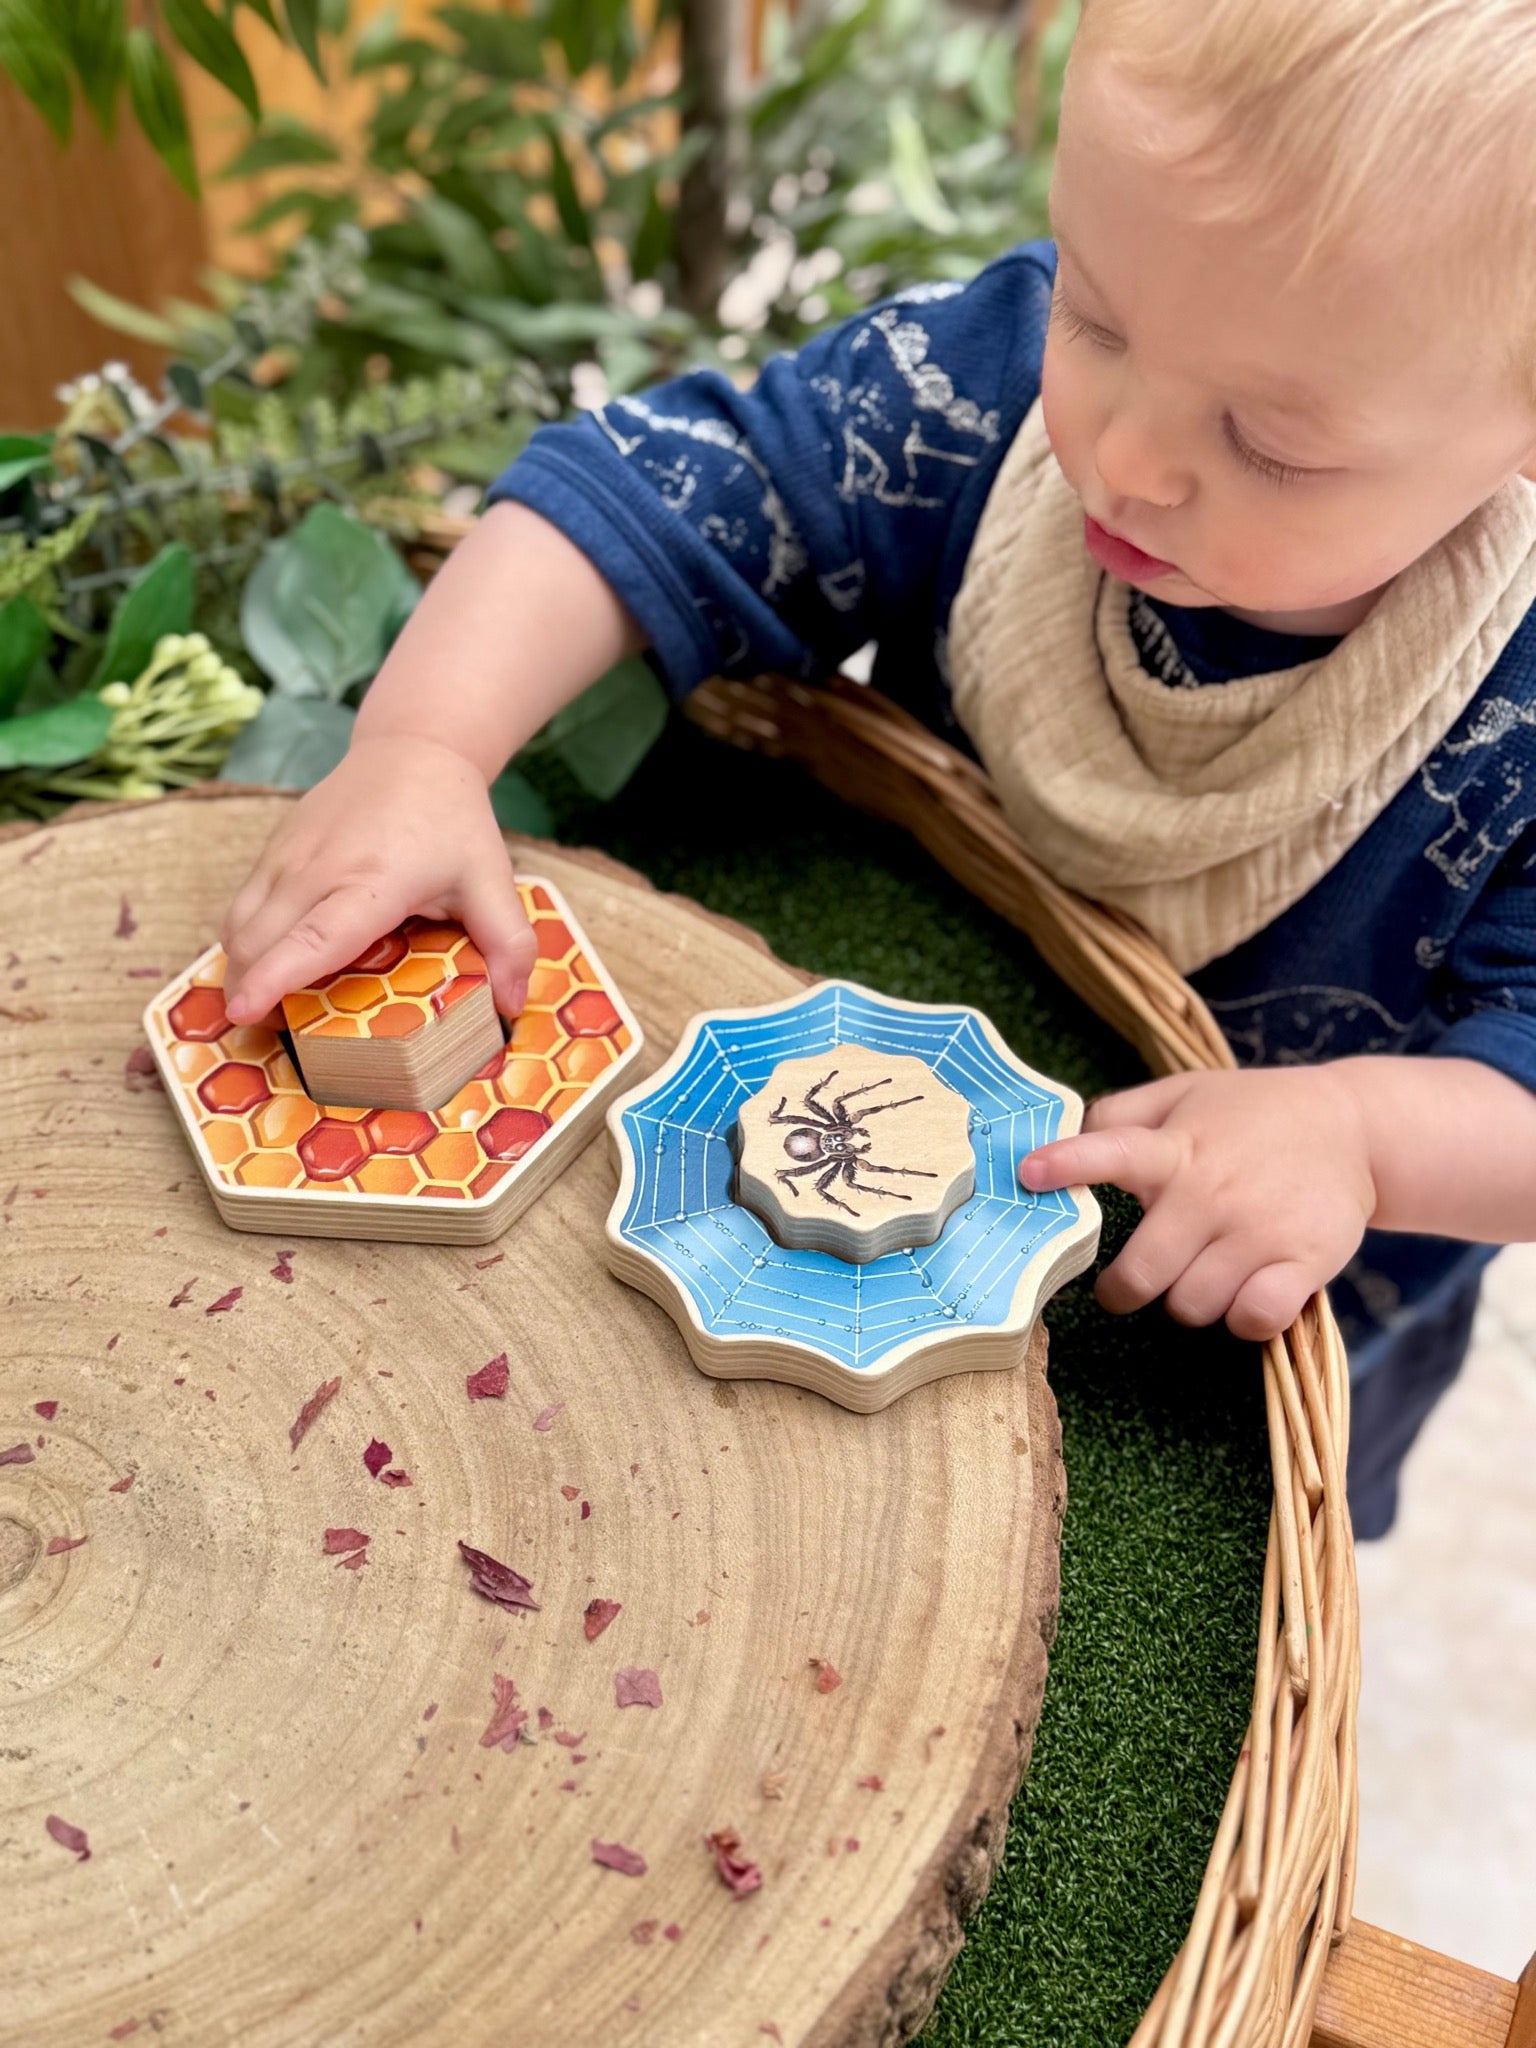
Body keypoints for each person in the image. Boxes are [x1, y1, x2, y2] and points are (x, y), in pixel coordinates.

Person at [220, 0, 1536, 1536]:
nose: (1123, 457)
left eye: (1275, 445)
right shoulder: (970, 401)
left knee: (1206, 1557)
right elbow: (649, 491)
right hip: (889, 1074)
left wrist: (1362, 1140)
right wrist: (423, 746)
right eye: (1099, 322)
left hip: (1231, 1290)